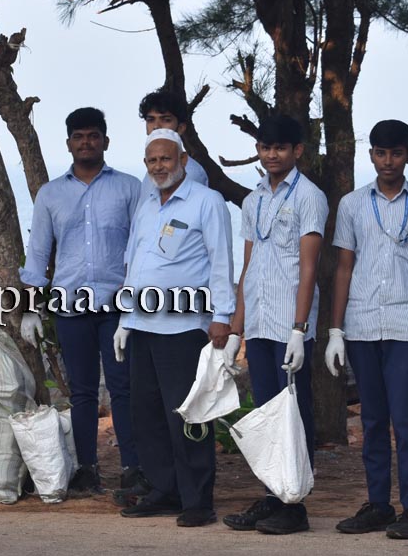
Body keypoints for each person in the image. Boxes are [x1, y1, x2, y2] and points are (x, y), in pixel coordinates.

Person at [326, 119, 408, 540]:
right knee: (373, 421)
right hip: (361, 326)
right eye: (380, 152)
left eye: (396, 152)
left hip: (407, 327)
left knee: (407, 421)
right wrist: (336, 330)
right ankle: (378, 504)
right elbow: (344, 267)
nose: (387, 160)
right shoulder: (353, 204)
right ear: (371, 155)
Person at [112, 128, 234, 527]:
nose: (158, 167)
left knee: (188, 415)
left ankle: (198, 499)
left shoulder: (206, 202)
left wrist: (222, 317)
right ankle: (166, 490)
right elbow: (135, 264)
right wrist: (124, 321)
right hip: (142, 325)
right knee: (145, 414)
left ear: (182, 160)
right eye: (152, 161)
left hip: (183, 328)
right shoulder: (146, 205)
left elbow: (221, 263)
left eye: (166, 159)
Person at [18, 107, 142, 494]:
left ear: (106, 140)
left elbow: (140, 248)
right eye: (79, 136)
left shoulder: (129, 188)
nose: (86, 142)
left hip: (119, 307)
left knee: (123, 387)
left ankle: (132, 467)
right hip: (70, 307)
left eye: (93, 135)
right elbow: (37, 254)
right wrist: (31, 309)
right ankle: (87, 467)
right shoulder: (51, 193)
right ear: (68, 142)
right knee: (82, 391)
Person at [223, 115, 327, 534]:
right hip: (260, 324)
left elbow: (308, 267)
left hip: (289, 327)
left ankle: (295, 505)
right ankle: (271, 496)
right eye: (265, 147)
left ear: (297, 151)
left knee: (294, 416)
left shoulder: (309, 197)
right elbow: (248, 266)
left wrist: (300, 329)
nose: (271, 155)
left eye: (280, 148)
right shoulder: (254, 201)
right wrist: (235, 331)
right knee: (267, 416)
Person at [137, 89, 208, 198]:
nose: (156, 126)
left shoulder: (191, 173)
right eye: (151, 120)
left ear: (180, 128)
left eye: (166, 120)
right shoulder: (151, 173)